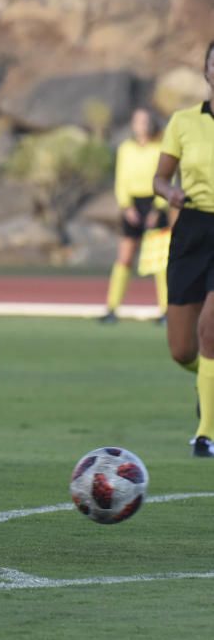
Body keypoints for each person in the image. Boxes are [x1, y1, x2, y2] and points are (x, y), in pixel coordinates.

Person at [153, 39, 214, 458]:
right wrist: (169, 194)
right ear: (207, 69)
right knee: (182, 350)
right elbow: (160, 179)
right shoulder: (184, 121)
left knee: (211, 330)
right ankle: (206, 384)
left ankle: (206, 433)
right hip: (192, 229)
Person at [100, 108, 169, 325]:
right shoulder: (126, 149)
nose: (142, 125)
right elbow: (121, 180)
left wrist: (157, 209)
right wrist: (126, 206)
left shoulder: (160, 148)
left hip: (154, 203)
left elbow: (166, 179)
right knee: (125, 257)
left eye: (146, 121)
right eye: (138, 121)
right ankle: (112, 308)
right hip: (133, 206)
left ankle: (166, 311)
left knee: (160, 262)